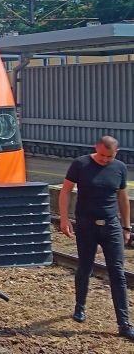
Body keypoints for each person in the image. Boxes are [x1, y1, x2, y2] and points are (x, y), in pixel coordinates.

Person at [59, 135, 133, 340]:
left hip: (111, 226)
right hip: (86, 226)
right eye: (101, 155)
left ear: (116, 153)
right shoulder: (80, 164)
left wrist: (126, 227)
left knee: (117, 272)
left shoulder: (119, 167)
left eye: (109, 157)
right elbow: (65, 192)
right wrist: (64, 220)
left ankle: (124, 324)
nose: (104, 160)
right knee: (85, 266)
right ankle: (80, 307)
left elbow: (122, 197)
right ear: (96, 148)